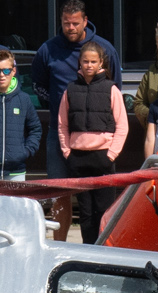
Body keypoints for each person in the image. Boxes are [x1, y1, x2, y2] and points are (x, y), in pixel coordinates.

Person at [30, 0, 117, 187]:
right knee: (58, 189)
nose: (70, 28)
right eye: (66, 23)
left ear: (85, 21)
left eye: (75, 23)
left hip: (97, 136)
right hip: (59, 131)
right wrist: (61, 103)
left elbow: (114, 88)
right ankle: (61, 219)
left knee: (95, 192)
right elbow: (38, 85)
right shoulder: (48, 50)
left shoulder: (105, 49)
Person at [57, 41, 126, 241]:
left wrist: (111, 154)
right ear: (80, 62)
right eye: (85, 61)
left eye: (93, 61)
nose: (89, 65)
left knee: (103, 211)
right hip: (78, 159)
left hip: (103, 158)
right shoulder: (70, 90)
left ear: (101, 63)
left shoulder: (111, 89)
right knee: (85, 213)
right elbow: (62, 125)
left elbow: (122, 125)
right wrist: (68, 152)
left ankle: (103, 250)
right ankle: (88, 250)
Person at [0, 48, 41, 179]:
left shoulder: (24, 99)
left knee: (16, 200)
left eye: (6, 71)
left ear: (13, 71)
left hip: (16, 171)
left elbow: (35, 129)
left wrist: (25, 152)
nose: (2, 75)